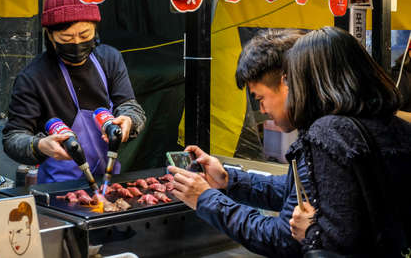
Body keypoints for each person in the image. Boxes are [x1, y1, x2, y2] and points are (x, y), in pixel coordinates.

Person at [168, 29, 310, 258]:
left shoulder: (328, 138)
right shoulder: (322, 130)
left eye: (261, 98)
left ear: (287, 83)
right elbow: (292, 190)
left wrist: (206, 199)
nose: (262, 110)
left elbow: (282, 239)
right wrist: (228, 179)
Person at [2, 0, 146, 183]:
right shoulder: (33, 77)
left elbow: (130, 106)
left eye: (85, 34)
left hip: (109, 178)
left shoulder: (110, 59)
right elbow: (12, 137)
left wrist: (129, 120)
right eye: (67, 39)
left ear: (96, 29)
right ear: (50, 36)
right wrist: (39, 145)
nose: (77, 43)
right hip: (57, 188)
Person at [287, 27, 411, 256]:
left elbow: (341, 239)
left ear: (309, 83)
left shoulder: (329, 132)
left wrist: (310, 231)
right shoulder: (400, 127)